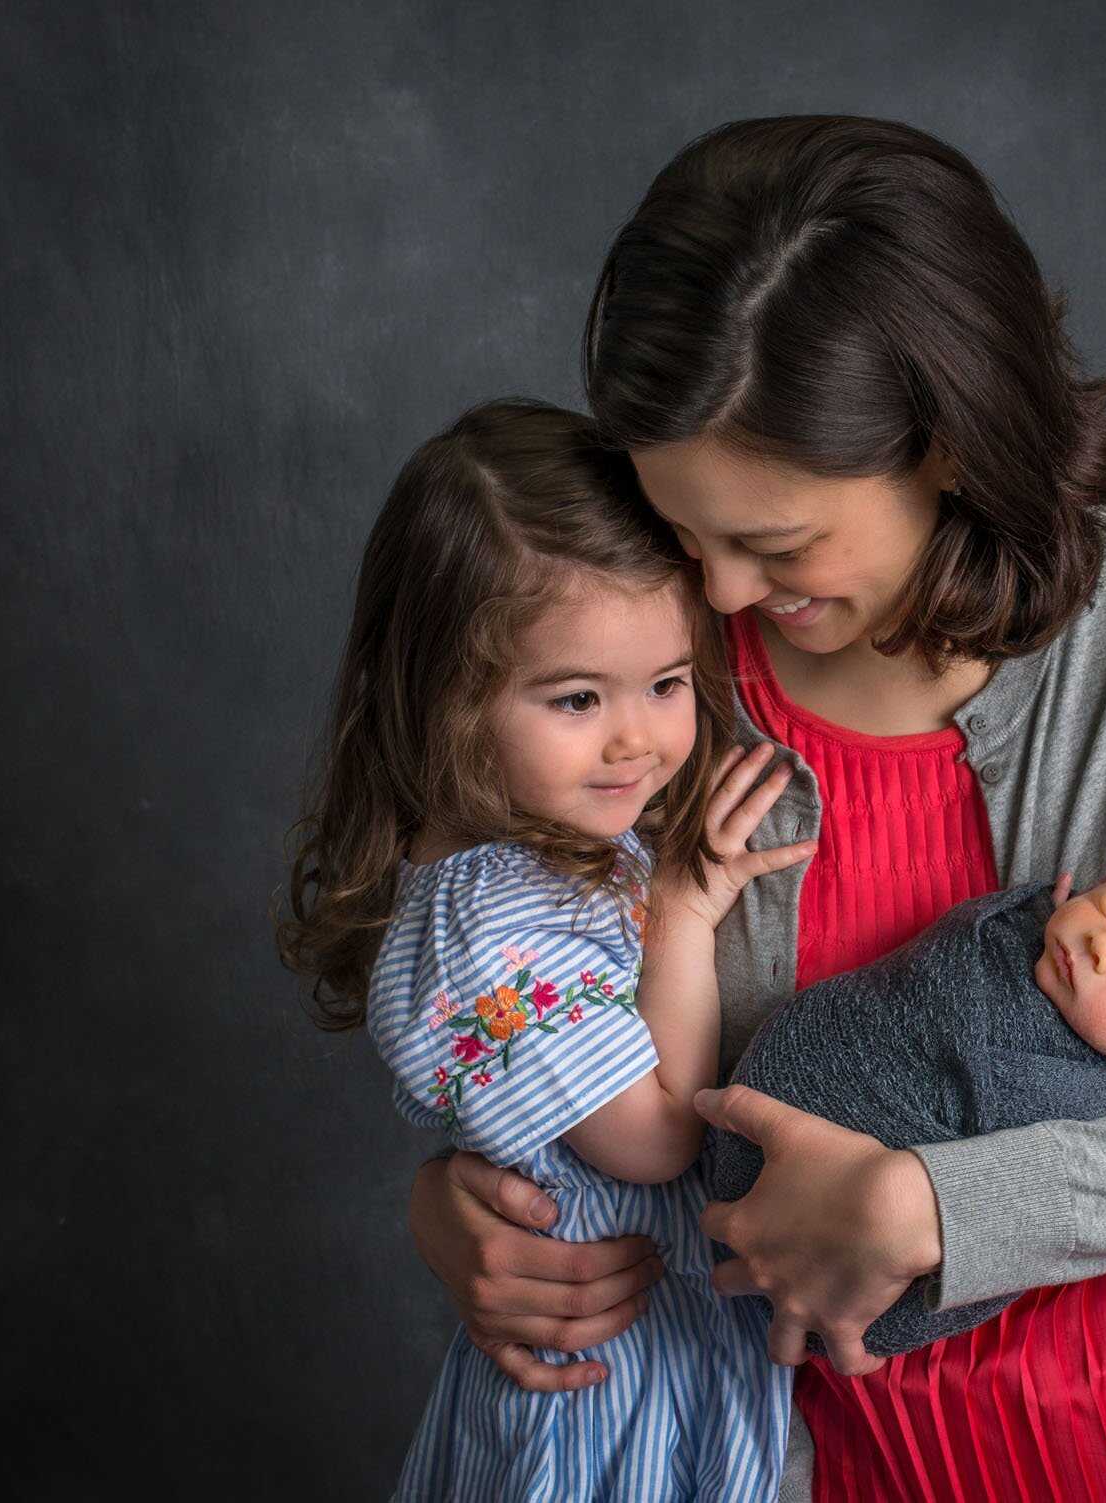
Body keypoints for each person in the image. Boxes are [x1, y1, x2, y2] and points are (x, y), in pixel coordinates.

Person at [410, 117, 1106, 1503]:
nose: (715, 593)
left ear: (948, 444)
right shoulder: (645, 682)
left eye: (772, 545)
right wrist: (469, 1200)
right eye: (683, 531)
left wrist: (943, 1211)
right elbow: (548, 985)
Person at [280, 400, 814, 1500]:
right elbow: (658, 1136)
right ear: (448, 703)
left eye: (668, 682)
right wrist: (688, 908)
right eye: (576, 698)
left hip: (658, 1352)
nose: (640, 738)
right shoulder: (490, 927)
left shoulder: (552, 843)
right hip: (605, 1389)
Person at [708, 850, 1106, 1358]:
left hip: (841, 1262)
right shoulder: (1047, 933)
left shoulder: (1064, 1096)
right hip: (757, 1116)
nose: (1103, 946)